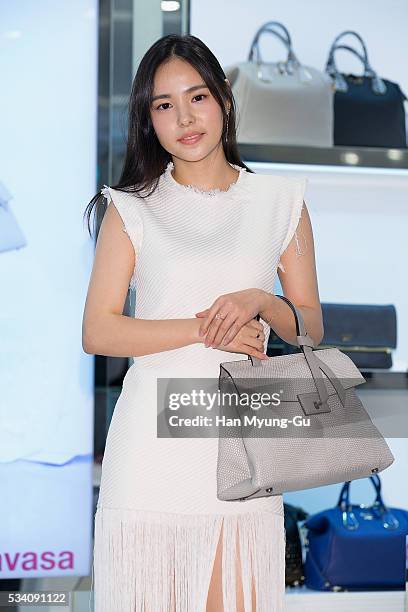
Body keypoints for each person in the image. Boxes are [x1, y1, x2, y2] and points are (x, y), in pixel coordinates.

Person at [82, 33, 324, 612]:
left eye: (198, 97)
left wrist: (259, 302)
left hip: (237, 449)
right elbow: (99, 331)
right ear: (148, 119)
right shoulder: (131, 207)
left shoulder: (280, 203)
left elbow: (309, 328)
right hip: (151, 450)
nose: (185, 118)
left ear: (225, 101)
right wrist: (203, 327)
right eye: (164, 105)